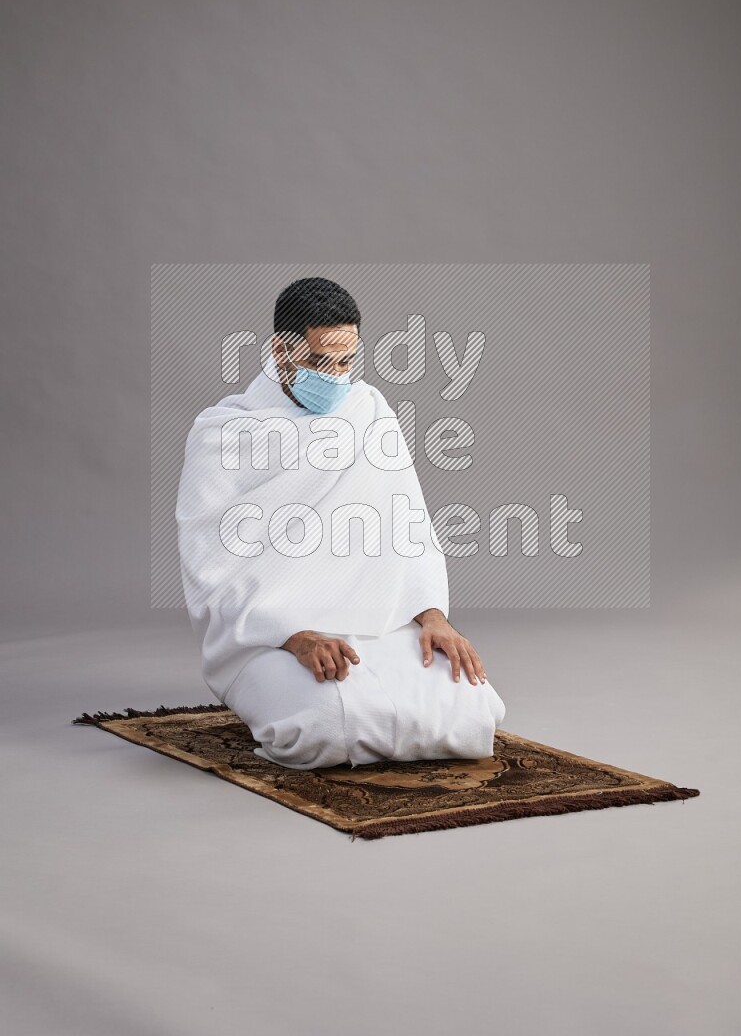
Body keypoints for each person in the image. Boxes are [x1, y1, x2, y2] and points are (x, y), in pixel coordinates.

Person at [175, 276, 506, 770]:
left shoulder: (369, 411)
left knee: (472, 713)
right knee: (325, 727)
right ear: (281, 350)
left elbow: (408, 525)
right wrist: (296, 635)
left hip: (378, 622)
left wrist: (434, 617)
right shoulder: (221, 435)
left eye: (346, 362)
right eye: (318, 362)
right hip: (267, 635)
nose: (334, 377)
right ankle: (278, 682)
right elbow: (211, 565)